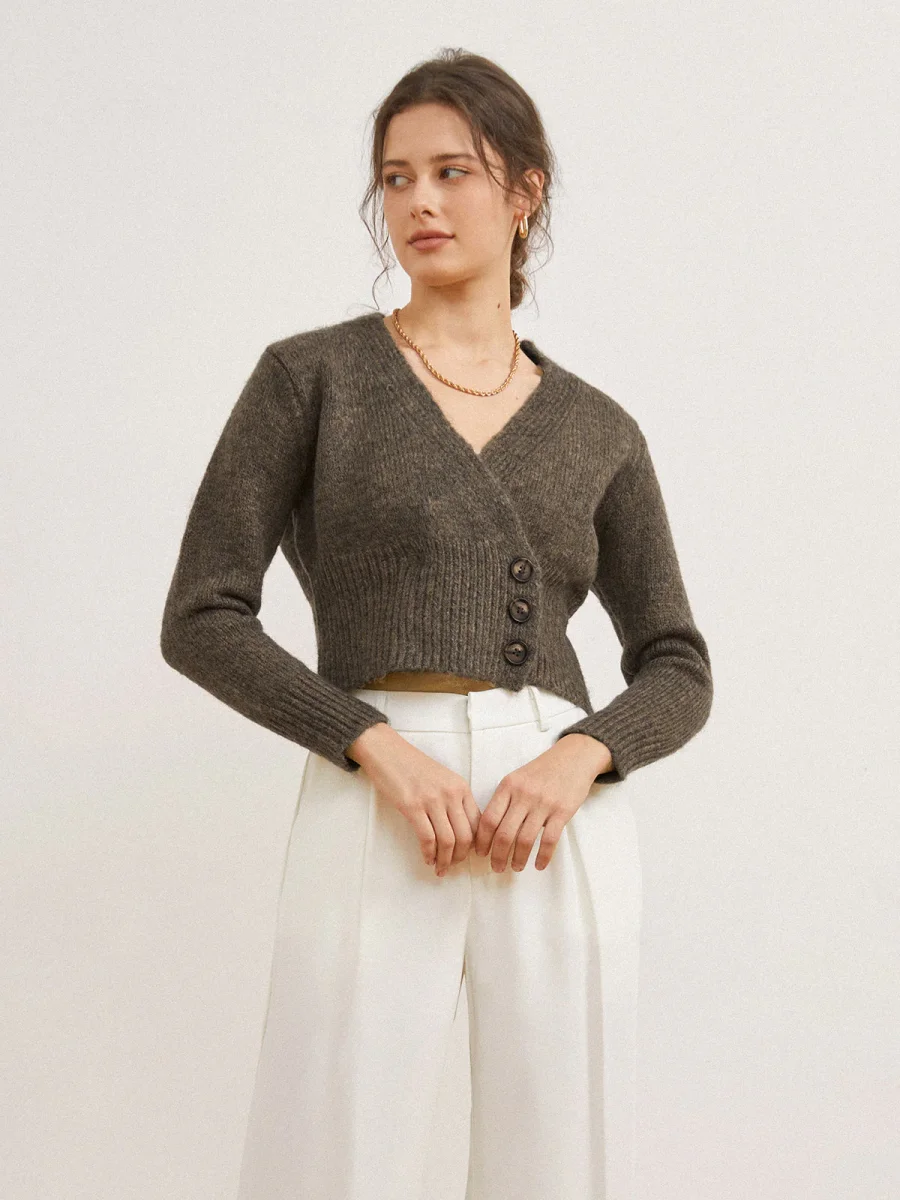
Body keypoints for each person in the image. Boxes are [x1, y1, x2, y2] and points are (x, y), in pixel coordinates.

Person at [160, 49, 713, 1200]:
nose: (418, 200)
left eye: (453, 172)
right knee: (334, 1144)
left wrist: (585, 754)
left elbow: (677, 662)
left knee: (563, 1150)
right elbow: (202, 612)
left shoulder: (599, 427)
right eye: (396, 177)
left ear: (525, 193)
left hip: (554, 810)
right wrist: (369, 742)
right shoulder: (312, 379)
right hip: (376, 782)